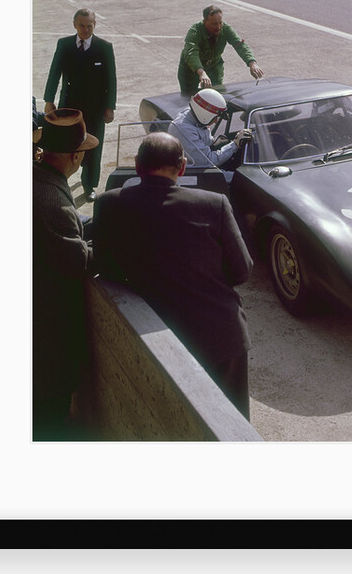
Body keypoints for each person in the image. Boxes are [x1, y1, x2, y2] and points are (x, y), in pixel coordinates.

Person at [93, 132, 253, 418]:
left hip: (155, 340)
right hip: (220, 337)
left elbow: (106, 266)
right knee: (230, 422)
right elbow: (242, 271)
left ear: (137, 166)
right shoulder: (214, 204)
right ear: (181, 167)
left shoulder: (108, 204)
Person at [32, 108, 99, 440]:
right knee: (47, 424)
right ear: (75, 157)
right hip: (44, 349)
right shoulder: (52, 203)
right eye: (83, 154)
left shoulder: (37, 177)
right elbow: (78, 262)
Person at [43, 8, 116, 202]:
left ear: (95, 25)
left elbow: (111, 79)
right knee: (65, 145)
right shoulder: (65, 45)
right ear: (74, 25)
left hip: (95, 108)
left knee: (93, 147)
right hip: (69, 106)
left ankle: (89, 184)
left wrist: (110, 107)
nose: (85, 29)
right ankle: (60, 181)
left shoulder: (104, 47)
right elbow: (54, 73)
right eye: (82, 25)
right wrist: (49, 101)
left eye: (89, 26)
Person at [177, 5, 264, 96]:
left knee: (216, 96)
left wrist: (252, 63)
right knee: (189, 98)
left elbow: (239, 45)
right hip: (191, 70)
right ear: (205, 22)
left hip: (214, 67)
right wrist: (201, 73)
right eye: (214, 24)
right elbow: (191, 53)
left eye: (220, 23)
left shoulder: (225, 29)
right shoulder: (195, 31)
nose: (218, 27)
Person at [168, 88, 253, 170]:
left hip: (203, 165)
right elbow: (207, 162)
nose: (215, 121)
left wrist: (216, 142)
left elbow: (206, 142)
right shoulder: (184, 129)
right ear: (204, 114)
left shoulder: (196, 116)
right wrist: (235, 144)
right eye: (215, 117)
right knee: (235, 178)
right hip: (194, 173)